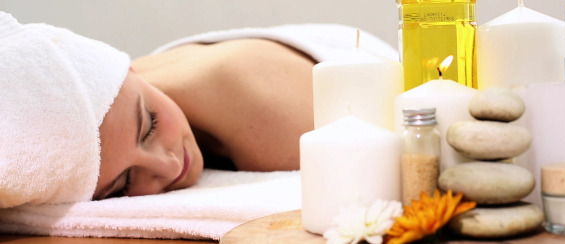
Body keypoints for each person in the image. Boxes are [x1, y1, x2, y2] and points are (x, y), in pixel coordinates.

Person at [0, 12, 398, 207]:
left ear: (130, 71)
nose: (169, 166)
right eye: (123, 184)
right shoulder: (103, 105)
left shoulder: (259, 109)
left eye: (150, 126)